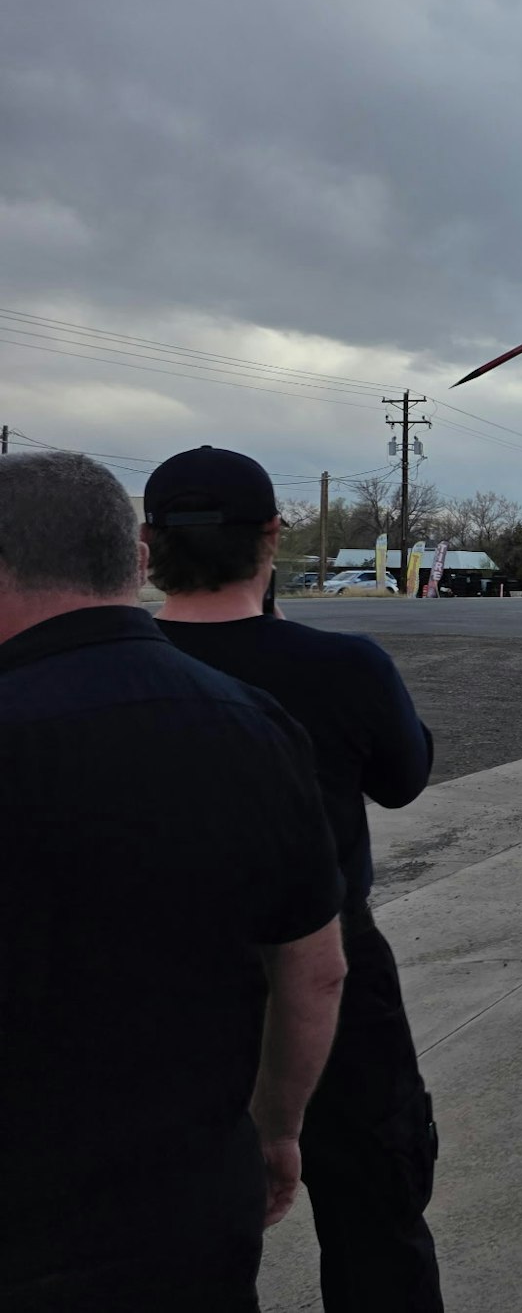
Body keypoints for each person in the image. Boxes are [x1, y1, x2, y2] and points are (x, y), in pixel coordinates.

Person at [0, 451, 347, 1311]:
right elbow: (315, 968)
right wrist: (277, 1130)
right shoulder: (253, 725)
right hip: (190, 1206)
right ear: (136, 562)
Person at [145, 446, 443, 1313]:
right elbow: (404, 776)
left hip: (161, 990)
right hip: (336, 979)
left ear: (148, 545)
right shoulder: (344, 666)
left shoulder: (112, 671)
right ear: (272, 536)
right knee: (376, 1211)